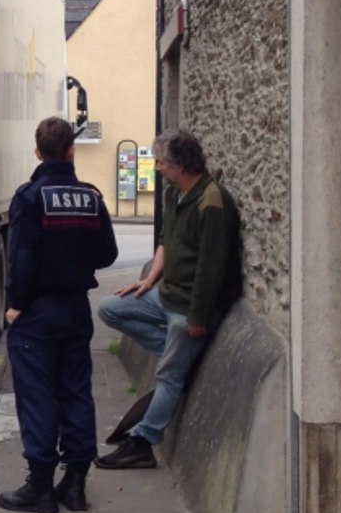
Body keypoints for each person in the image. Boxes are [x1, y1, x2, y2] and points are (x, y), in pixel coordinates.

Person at [94, 128, 241, 470]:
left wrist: (197, 318)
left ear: (181, 164)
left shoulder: (212, 202)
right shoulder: (176, 194)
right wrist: (148, 280)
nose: (157, 168)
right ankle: (178, 357)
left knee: (170, 378)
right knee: (111, 308)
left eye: (161, 163)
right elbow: (165, 241)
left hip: (190, 305)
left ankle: (142, 442)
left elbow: (212, 267)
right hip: (166, 294)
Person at [0, 116, 118, 513]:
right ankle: (76, 484)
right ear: (71, 151)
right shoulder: (91, 197)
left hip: (37, 311)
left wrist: (16, 303)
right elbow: (108, 254)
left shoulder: (30, 196)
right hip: (75, 310)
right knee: (76, 393)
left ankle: (40, 487)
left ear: (38, 152)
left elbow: (21, 258)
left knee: (37, 397)